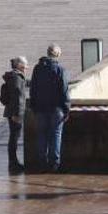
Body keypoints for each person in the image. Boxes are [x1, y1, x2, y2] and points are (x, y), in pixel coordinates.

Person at [29, 44, 70, 172]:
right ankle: (54, 164)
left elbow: (33, 89)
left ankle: (42, 163)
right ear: (57, 55)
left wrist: (34, 106)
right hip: (56, 109)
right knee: (56, 135)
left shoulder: (37, 68)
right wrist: (67, 108)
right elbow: (64, 91)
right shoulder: (60, 69)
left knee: (42, 135)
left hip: (40, 108)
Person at [1, 56, 28, 174]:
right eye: (25, 66)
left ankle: (13, 162)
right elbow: (18, 97)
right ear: (20, 66)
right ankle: (13, 163)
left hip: (11, 111)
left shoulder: (14, 76)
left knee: (14, 137)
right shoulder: (16, 78)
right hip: (15, 112)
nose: (26, 69)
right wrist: (17, 114)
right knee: (14, 138)